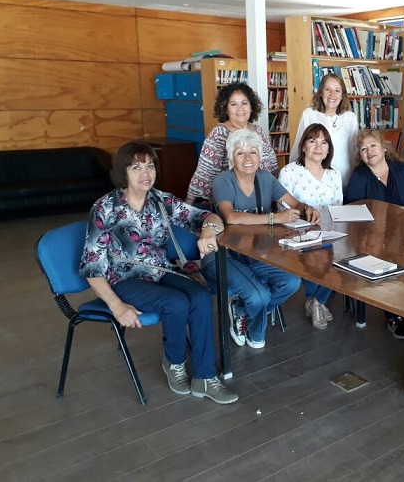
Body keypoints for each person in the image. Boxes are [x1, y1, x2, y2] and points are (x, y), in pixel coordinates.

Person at [79, 141, 238, 405]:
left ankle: (205, 377)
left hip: (160, 270)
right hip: (125, 279)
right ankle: (174, 363)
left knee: (199, 296)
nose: (145, 173)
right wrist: (117, 306)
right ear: (123, 172)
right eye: (136, 167)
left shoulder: (162, 201)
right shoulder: (105, 208)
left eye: (150, 166)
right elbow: (91, 267)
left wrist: (209, 230)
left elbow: (208, 217)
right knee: (175, 303)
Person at [202, 129, 319, 349]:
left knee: (292, 282)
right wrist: (274, 218)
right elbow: (230, 217)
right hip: (225, 255)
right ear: (231, 158)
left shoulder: (265, 178)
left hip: (258, 252)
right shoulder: (223, 181)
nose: (248, 159)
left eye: (253, 152)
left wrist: (307, 208)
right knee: (260, 296)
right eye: (240, 153)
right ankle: (253, 322)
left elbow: (294, 203)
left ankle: (241, 312)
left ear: (260, 156)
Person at [345, 129, 404, 339]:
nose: (369, 151)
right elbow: (352, 213)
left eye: (372, 145)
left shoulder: (402, 169)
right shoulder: (360, 175)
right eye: (363, 149)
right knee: (385, 261)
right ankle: (393, 316)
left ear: (383, 147)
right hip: (373, 237)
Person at [279, 123, 343, 330]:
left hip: (329, 233)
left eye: (324, 142)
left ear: (329, 148)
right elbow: (283, 208)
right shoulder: (289, 172)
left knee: (341, 256)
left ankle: (316, 301)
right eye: (313, 140)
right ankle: (317, 301)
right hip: (298, 234)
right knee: (314, 255)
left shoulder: (334, 174)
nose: (318, 146)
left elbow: (338, 208)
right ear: (303, 146)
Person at [186, 82, 278, 204]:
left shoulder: (258, 131)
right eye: (233, 104)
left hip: (263, 198)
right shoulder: (219, 133)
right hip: (233, 201)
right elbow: (204, 172)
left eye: (244, 103)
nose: (240, 109)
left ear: (251, 107)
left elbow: (272, 166)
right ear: (226, 108)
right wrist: (189, 203)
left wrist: (277, 195)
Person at [289, 73, 358, 187]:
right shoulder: (309, 114)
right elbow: (299, 146)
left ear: (342, 95)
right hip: (311, 178)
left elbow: (354, 150)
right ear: (321, 92)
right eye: (328, 89)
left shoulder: (350, 117)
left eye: (337, 90)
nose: (332, 94)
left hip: (343, 177)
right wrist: (293, 175)